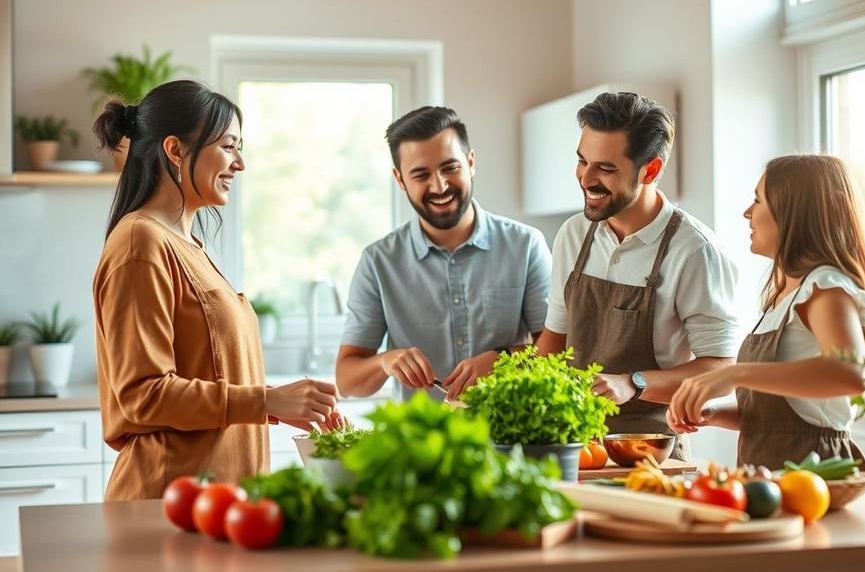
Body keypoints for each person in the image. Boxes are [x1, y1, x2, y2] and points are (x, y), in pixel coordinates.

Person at [93, 80, 345, 501]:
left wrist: (284, 406)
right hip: (167, 504)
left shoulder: (188, 245)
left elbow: (212, 372)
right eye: (228, 146)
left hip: (214, 504)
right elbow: (142, 395)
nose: (240, 163)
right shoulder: (141, 244)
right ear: (175, 151)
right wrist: (267, 401)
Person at [534, 92, 739, 461]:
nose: (586, 179)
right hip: (575, 446)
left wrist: (634, 383)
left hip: (650, 449)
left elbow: (721, 370)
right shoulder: (573, 233)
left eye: (606, 169)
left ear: (651, 170)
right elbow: (555, 338)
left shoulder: (694, 250)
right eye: (582, 161)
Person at [667, 154, 865, 470]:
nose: (747, 212)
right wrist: (714, 415)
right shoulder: (783, 297)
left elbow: (850, 374)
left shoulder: (825, 287)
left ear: (792, 213)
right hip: (769, 476)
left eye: (757, 200)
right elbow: (778, 416)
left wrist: (735, 373)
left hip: (816, 475)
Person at [335, 106, 552, 402]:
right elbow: (347, 381)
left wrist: (504, 359)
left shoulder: (526, 245)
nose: (439, 186)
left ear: (471, 162)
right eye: (421, 174)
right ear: (400, 180)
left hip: (510, 441)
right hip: (422, 443)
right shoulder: (378, 262)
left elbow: (556, 350)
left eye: (450, 168)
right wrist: (386, 361)